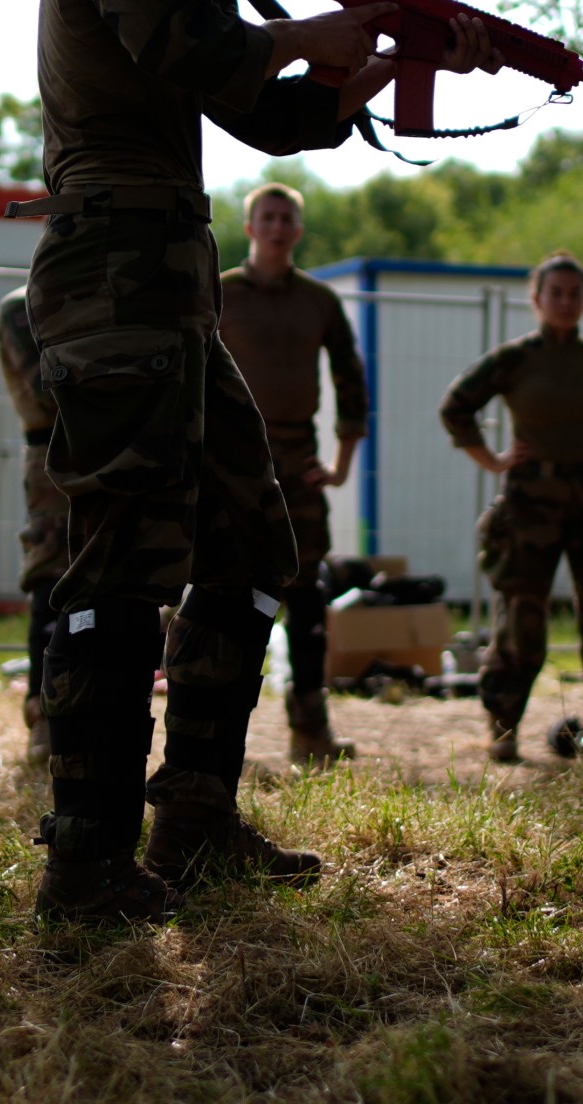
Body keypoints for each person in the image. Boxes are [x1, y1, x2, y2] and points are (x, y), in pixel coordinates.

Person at [22, 0, 500, 923]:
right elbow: (192, 51)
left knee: (249, 545)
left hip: (165, 287)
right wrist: (318, 28)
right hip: (114, 273)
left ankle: (191, 827)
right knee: (119, 567)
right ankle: (84, 866)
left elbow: (255, 111)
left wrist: (376, 70)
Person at [441, 253, 583, 762]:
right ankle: (502, 732)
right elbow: (457, 406)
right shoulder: (515, 360)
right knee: (521, 622)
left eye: (574, 292)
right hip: (529, 507)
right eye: (555, 293)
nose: (565, 302)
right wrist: (493, 460)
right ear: (536, 299)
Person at [216, 181, 370, 765]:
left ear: (297, 231)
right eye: (268, 217)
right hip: (234, 461)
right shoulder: (221, 293)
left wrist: (339, 464)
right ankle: (216, 731)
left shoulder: (318, 301)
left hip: (299, 465)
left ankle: (310, 729)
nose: (278, 227)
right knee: (226, 595)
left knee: (305, 597)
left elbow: (351, 380)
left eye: (287, 219)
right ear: (251, 226)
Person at [0, 282, 68, 767]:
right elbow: (50, 386)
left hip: (121, 451)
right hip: (53, 455)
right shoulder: (24, 305)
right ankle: (44, 713)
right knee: (52, 577)